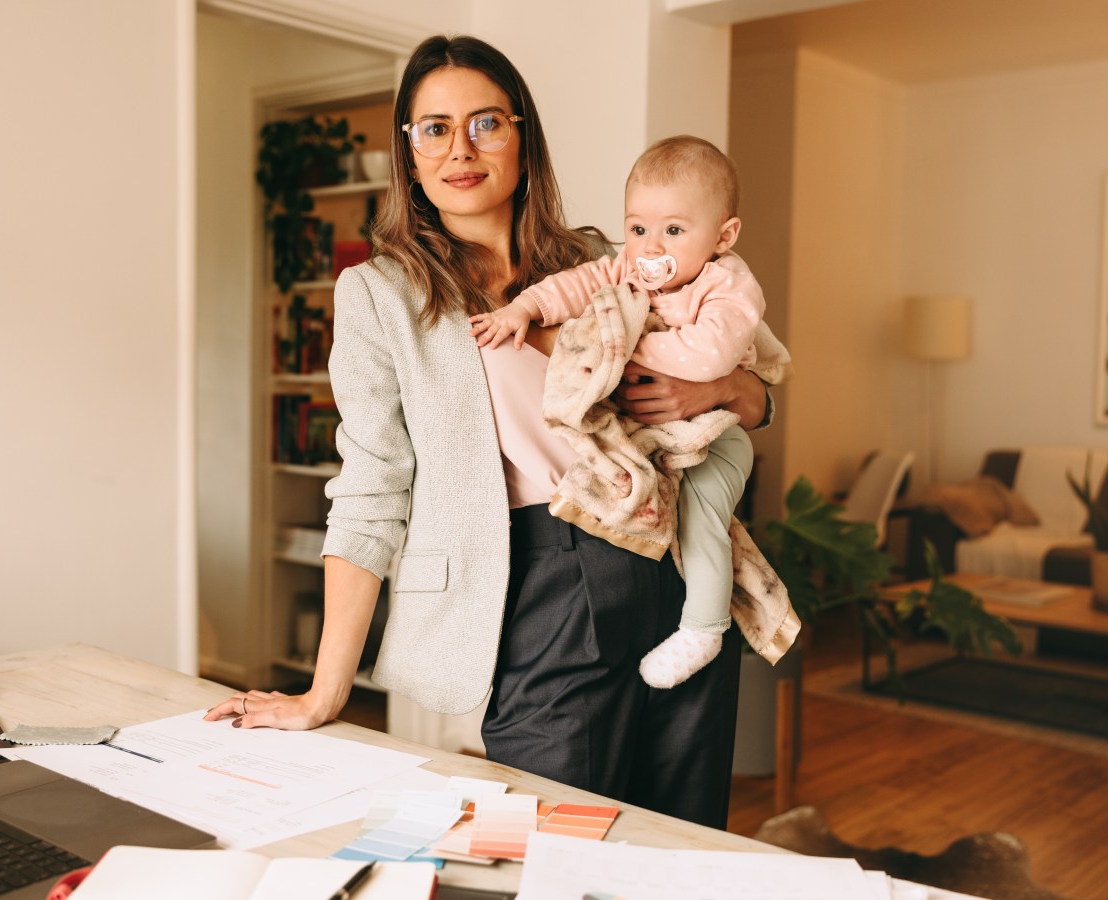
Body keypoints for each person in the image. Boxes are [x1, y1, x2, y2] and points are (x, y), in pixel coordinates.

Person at [205, 33, 774, 829]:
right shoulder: (379, 296)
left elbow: (749, 380)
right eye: (433, 127)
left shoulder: (602, 261)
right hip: (542, 581)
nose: (459, 148)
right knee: (554, 844)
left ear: (521, 137)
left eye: (485, 123)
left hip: (675, 567)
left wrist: (725, 388)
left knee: (681, 839)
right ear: (407, 152)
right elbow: (370, 489)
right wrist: (325, 691)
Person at [467, 136, 791, 690]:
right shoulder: (627, 269)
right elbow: (579, 284)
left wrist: (617, 347)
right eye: (638, 228)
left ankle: (705, 628)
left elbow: (709, 357)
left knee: (702, 519)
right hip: (637, 465)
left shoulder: (728, 285)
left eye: (673, 230)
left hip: (717, 442)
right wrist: (526, 307)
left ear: (723, 236)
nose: (648, 246)